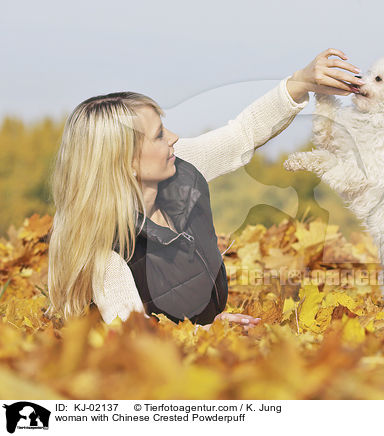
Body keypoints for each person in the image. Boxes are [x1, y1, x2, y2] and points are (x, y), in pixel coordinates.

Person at [45, 48, 364, 332]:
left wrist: (301, 82)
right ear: (125, 162)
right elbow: (132, 335)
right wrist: (205, 332)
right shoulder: (102, 248)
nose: (172, 137)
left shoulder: (176, 168)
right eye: (158, 135)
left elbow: (242, 134)